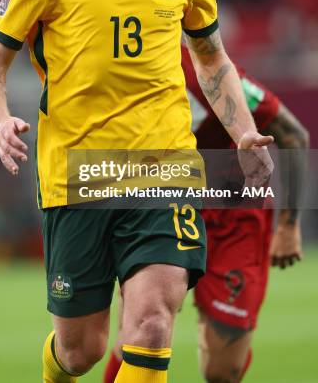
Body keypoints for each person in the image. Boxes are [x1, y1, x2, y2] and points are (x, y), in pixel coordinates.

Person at [0, 0, 274, 383]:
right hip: (76, 174)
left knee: (153, 324)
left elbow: (211, 60)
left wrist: (243, 132)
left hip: (164, 167)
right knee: (81, 350)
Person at [104, 47, 308, 383]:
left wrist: (289, 226)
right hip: (167, 210)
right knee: (140, 330)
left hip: (234, 219)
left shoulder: (209, 72)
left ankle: (218, 333)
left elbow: (293, 134)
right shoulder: (118, 74)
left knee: (221, 371)